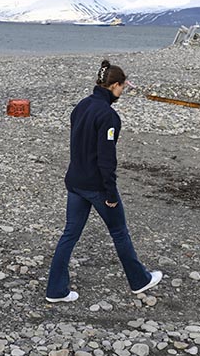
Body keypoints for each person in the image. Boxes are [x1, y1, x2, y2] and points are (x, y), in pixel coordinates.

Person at [45, 59, 161, 303]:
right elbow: (106, 159)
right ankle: (139, 280)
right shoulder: (108, 116)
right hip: (96, 186)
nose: (122, 93)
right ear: (114, 86)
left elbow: (78, 146)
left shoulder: (81, 106)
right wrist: (110, 193)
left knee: (69, 234)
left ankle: (56, 290)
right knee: (119, 231)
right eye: (122, 88)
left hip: (75, 181)